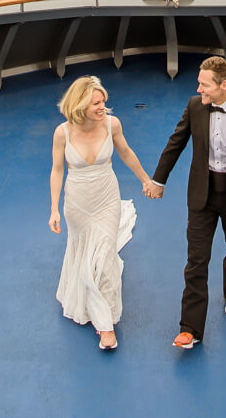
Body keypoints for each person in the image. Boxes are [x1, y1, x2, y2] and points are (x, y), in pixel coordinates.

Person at [145, 55, 226, 349]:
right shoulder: (194, 107)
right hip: (202, 193)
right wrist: (158, 181)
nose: (199, 89)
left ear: (224, 85)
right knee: (196, 261)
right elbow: (175, 143)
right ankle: (190, 328)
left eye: (205, 85)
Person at [50, 75, 153, 350]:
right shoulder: (63, 132)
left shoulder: (112, 124)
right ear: (79, 103)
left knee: (106, 255)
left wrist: (145, 179)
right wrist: (53, 209)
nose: (102, 107)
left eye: (103, 101)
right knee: (85, 254)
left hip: (107, 199)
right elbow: (57, 169)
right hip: (78, 203)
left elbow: (127, 153)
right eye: (96, 102)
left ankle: (105, 326)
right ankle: (96, 310)